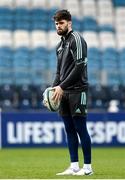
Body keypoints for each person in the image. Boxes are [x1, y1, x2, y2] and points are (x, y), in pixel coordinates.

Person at [52, 9, 93, 176]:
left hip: (77, 90)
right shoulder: (59, 45)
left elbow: (80, 66)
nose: (58, 26)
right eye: (56, 23)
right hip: (63, 92)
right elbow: (58, 72)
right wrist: (54, 88)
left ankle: (88, 168)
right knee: (69, 129)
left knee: (80, 128)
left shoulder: (77, 39)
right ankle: (74, 166)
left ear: (69, 23)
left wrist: (62, 86)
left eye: (61, 23)